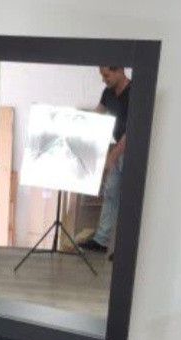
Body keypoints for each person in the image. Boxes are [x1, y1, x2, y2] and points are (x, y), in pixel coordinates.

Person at [78, 66, 130, 255]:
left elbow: (131, 131)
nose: (103, 79)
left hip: (132, 150)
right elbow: (95, 116)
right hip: (119, 148)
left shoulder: (134, 92)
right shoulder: (108, 93)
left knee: (128, 199)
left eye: (106, 75)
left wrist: (113, 156)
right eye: (102, 75)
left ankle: (124, 248)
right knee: (111, 192)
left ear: (119, 71)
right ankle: (101, 241)